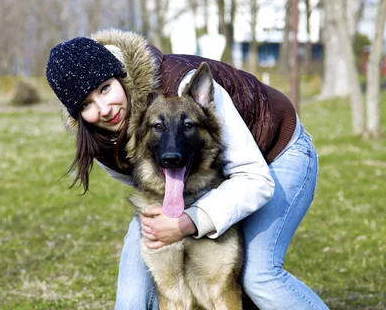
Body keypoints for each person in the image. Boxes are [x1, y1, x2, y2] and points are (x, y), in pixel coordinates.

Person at [45, 29, 328, 310]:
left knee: (259, 276)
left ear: (119, 74)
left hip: (275, 155)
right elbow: (145, 183)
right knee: (132, 298)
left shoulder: (183, 86)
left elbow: (253, 180)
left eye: (105, 88)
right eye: (86, 104)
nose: (105, 109)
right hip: (194, 175)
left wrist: (191, 221)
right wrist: (166, 221)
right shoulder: (101, 137)